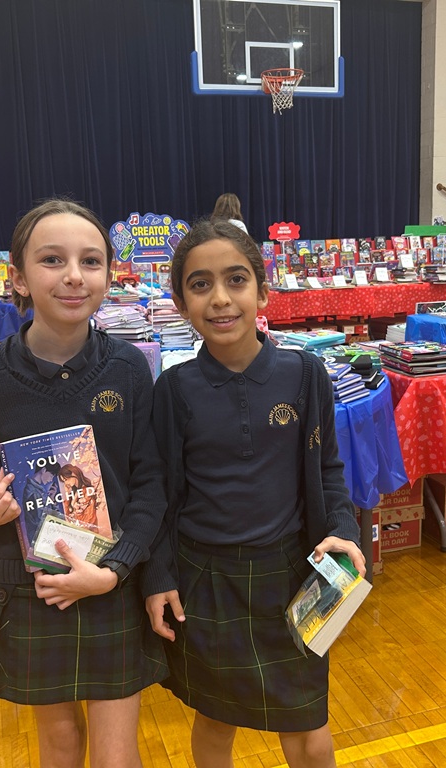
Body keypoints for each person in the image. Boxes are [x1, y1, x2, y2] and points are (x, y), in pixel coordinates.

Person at [0, 199, 168, 768]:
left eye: (90, 261)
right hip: (34, 588)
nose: (74, 275)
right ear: (19, 278)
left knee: (116, 757)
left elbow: (150, 484)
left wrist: (115, 570)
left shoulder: (129, 368)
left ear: (109, 275)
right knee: (61, 743)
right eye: (52, 260)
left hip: (110, 580)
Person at [144, 219, 365, 768]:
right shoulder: (174, 389)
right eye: (200, 285)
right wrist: (158, 575)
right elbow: (161, 495)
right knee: (216, 720)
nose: (220, 298)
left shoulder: (305, 374)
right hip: (205, 583)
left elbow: (328, 469)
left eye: (236, 280)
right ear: (181, 304)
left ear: (262, 292)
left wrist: (344, 530)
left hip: (292, 577)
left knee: (308, 726)